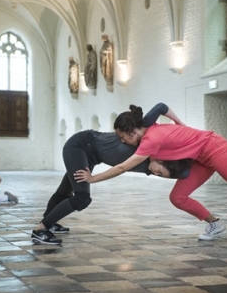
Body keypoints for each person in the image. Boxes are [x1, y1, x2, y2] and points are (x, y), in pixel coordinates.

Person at [74, 105, 227, 250]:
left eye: (123, 137)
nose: (122, 142)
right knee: (178, 197)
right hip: (200, 159)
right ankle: (215, 225)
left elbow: (122, 167)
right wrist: (181, 125)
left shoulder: (149, 140)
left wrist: (93, 179)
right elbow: (162, 106)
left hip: (216, 149)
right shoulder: (148, 126)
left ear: (133, 131)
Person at [31, 102, 186, 245]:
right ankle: (40, 230)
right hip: (80, 145)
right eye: (121, 137)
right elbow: (160, 107)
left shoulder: (150, 164)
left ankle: (48, 223)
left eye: (160, 175)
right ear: (131, 132)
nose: (157, 174)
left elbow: (184, 172)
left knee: (65, 190)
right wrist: (181, 124)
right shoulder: (142, 132)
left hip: (91, 156)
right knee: (82, 198)